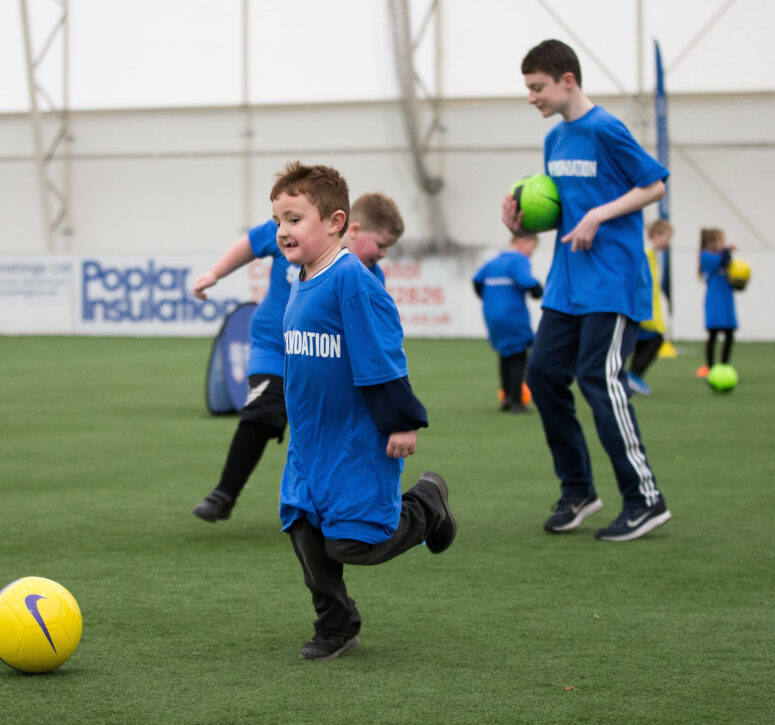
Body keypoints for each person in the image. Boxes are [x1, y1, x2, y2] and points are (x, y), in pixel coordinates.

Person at [270, 161, 456, 661]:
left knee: (356, 543)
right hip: (311, 441)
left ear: (335, 222)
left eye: (295, 219)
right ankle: (336, 625)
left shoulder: (352, 279)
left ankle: (427, 505)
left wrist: (400, 420)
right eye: (280, 221)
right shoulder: (301, 277)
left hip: (355, 440)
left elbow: (381, 352)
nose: (284, 231)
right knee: (304, 528)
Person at [502, 39, 672, 542]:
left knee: (599, 378)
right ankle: (578, 490)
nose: (531, 96)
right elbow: (560, 208)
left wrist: (600, 213)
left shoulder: (606, 129)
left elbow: (655, 185)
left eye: (537, 87)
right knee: (543, 374)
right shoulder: (556, 141)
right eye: (528, 88)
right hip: (566, 283)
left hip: (613, 280)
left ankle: (645, 499)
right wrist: (518, 220)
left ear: (567, 80)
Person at [191, 193, 406, 522]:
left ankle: (315, 503)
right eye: (381, 245)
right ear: (356, 229)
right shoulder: (294, 234)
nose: (383, 254)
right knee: (263, 410)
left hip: (322, 362)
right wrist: (215, 274)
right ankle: (224, 494)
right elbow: (250, 244)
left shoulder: (368, 278)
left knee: (324, 430)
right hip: (274, 348)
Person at [471, 232, 543, 412]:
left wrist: (489, 299)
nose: (531, 253)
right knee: (519, 356)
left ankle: (507, 397)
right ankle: (516, 400)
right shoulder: (518, 260)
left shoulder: (494, 261)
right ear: (522, 241)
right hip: (512, 315)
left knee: (505, 355)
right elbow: (527, 282)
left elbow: (477, 280)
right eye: (532, 247)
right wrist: (538, 291)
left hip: (492, 314)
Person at [627, 219, 673, 395]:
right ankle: (632, 375)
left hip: (648, 310)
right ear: (656, 235)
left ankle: (632, 376)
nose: (668, 242)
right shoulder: (646, 254)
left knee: (643, 342)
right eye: (667, 237)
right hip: (643, 311)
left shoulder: (652, 255)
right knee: (655, 340)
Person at [697, 227, 737, 375]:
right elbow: (721, 262)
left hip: (726, 299)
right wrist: (727, 250)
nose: (723, 243)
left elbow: (731, 269)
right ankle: (711, 367)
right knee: (712, 335)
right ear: (710, 243)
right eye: (720, 240)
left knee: (729, 334)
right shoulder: (706, 256)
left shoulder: (723, 256)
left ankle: (725, 366)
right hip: (714, 300)